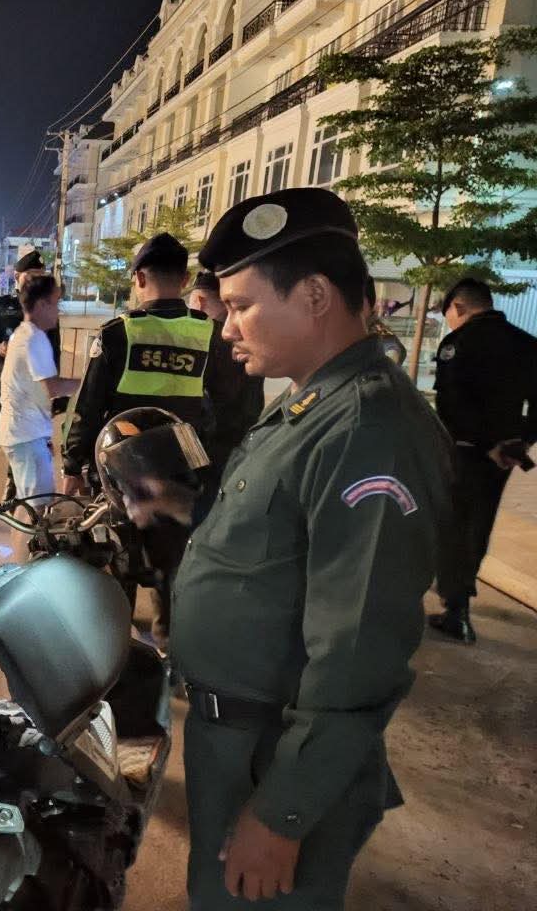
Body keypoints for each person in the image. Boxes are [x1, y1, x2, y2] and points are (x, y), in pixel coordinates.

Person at [129, 188, 451, 910]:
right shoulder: (308, 401)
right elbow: (275, 536)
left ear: (313, 296)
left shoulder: (367, 429)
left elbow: (358, 650)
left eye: (241, 306)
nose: (226, 329)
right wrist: (176, 504)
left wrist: (283, 815)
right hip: (238, 740)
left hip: (275, 756)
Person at [62, 233, 244, 646]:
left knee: (119, 557)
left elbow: (88, 408)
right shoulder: (211, 335)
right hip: (185, 472)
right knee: (174, 562)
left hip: (121, 472)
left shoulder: (118, 334)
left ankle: (119, 644)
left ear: (139, 278)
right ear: (184, 280)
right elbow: (232, 407)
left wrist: (72, 465)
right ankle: (168, 641)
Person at [429, 277, 537, 644]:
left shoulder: (458, 343)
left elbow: (450, 405)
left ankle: (456, 610)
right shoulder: (526, 343)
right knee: (480, 524)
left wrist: (486, 442)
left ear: (458, 307)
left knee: (453, 525)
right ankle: (459, 600)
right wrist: (519, 441)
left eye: (448, 314)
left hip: (463, 451)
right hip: (503, 458)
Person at [0, 249, 62, 499]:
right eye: (31, 275)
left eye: (40, 275)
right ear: (17, 276)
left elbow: (54, 353)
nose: (36, 280)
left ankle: (13, 493)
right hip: (0, 384)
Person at [0, 274, 81, 504]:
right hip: (25, 435)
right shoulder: (34, 338)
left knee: (30, 506)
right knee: (38, 509)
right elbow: (52, 388)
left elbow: (35, 391)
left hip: (25, 434)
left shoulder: (23, 334)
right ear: (42, 304)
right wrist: (88, 383)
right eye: (55, 303)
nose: (58, 311)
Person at [190, 268, 266, 437]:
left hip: (209, 441)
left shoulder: (201, 340)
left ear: (200, 302)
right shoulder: (250, 338)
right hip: (247, 436)